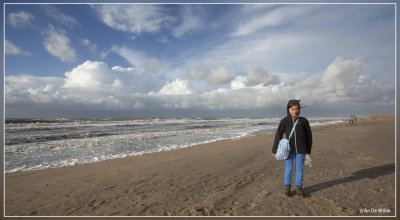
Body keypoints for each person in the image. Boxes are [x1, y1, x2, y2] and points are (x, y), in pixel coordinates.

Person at [272, 100, 313, 197]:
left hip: (301, 150)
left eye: (297, 109)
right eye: (292, 109)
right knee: (288, 169)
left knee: (299, 169)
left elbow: (309, 136)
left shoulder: (303, 121)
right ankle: (287, 189)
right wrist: (274, 149)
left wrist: (308, 150)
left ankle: (299, 189)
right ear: (288, 109)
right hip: (288, 150)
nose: (295, 111)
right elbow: (278, 135)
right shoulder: (284, 121)